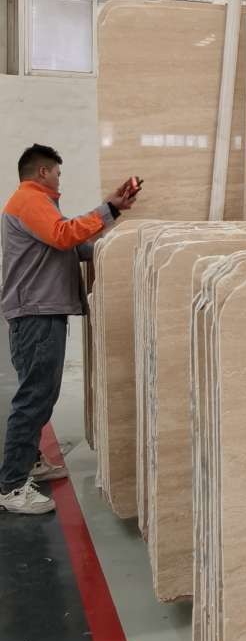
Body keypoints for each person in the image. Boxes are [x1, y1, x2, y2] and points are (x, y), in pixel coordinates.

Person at [0, 144, 139, 515]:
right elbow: (64, 236)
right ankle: (11, 486)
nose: (60, 180)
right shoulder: (30, 200)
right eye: (58, 173)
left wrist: (112, 233)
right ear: (43, 171)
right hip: (36, 313)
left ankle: (29, 462)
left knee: (40, 395)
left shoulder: (39, 205)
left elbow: (69, 247)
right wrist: (106, 210)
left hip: (40, 311)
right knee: (34, 398)